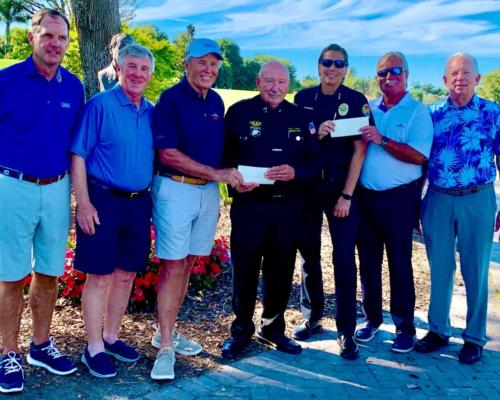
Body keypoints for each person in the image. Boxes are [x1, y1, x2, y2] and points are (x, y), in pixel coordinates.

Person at [0, 9, 84, 393]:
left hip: (56, 187)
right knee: (12, 275)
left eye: (62, 38)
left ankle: (40, 345)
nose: (55, 44)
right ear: (32, 37)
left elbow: (76, 147)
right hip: (13, 186)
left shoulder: (73, 86)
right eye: (48, 36)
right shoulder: (7, 80)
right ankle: (8, 353)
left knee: (49, 271)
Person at [151, 38, 242, 380]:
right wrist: (219, 174)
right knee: (174, 264)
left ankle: (167, 332)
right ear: (186, 64)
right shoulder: (170, 99)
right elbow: (168, 154)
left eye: (214, 63)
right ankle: (164, 349)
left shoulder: (216, 100)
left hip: (206, 193)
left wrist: (239, 175)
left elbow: (222, 152)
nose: (208, 69)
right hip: (175, 189)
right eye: (201, 62)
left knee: (188, 261)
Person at [221, 61, 320, 359]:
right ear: (257, 81)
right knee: (245, 270)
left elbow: (315, 164)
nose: (275, 87)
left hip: (287, 208)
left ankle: (273, 329)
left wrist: (295, 172)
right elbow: (225, 158)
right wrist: (234, 181)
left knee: (280, 269)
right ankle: (240, 331)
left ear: (288, 86)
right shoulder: (238, 113)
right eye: (269, 81)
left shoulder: (302, 118)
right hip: (249, 206)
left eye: (281, 82)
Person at [71, 44, 154, 378]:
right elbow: (78, 155)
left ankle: (111, 336)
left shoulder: (151, 111)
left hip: (139, 202)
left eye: (143, 69)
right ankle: (93, 348)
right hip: (103, 200)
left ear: (150, 74)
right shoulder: (99, 106)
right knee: (101, 275)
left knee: (125, 274)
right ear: (118, 69)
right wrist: (84, 203)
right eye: (130, 67)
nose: (137, 74)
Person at [415, 53, 499, 364]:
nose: (460, 78)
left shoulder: (493, 113)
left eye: (466, 73)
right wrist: (416, 204)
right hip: (438, 197)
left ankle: (474, 338)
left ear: (477, 78)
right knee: (440, 267)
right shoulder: (432, 114)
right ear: (445, 80)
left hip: (478, 197)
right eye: (454, 73)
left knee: (475, 268)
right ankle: (438, 330)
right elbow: (420, 160)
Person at [292, 44, 371, 360]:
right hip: (308, 189)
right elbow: (295, 143)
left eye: (339, 64)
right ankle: (311, 317)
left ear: (346, 69)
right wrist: (317, 135)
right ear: (318, 65)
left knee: (343, 258)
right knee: (309, 254)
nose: (332, 68)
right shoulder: (302, 99)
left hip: (341, 191)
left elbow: (360, 151)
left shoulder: (355, 101)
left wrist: (347, 195)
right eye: (327, 62)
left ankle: (346, 331)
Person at [355, 51, 433, 353]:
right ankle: (372, 319)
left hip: (399, 200)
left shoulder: (417, 112)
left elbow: (419, 155)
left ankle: (404, 327)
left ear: (407, 74)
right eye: (382, 72)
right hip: (366, 198)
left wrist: (382, 140)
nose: (389, 77)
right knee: (368, 263)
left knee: (400, 264)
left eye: (395, 71)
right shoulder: (368, 107)